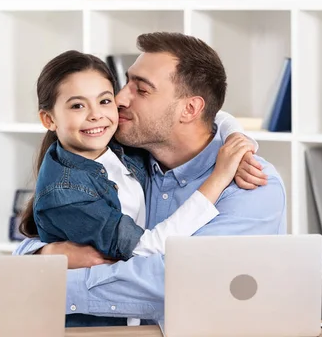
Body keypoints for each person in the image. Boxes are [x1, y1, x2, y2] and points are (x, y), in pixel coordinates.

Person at [14, 31, 286, 326]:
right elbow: (41, 235)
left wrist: (44, 281)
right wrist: (43, 255)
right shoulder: (124, 155)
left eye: (141, 90)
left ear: (190, 109)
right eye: (125, 83)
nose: (118, 99)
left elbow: (173, 282)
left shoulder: (252, 187)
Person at [18, 50, 259, 264]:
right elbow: (145, 249)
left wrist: (236, 139)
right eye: (77, 106)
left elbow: (216, 115)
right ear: (48, 119)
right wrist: (219, 178)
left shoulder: (119, 145)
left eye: (104, 100)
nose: (95, 115)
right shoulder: (66, 192)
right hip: (94, 313)